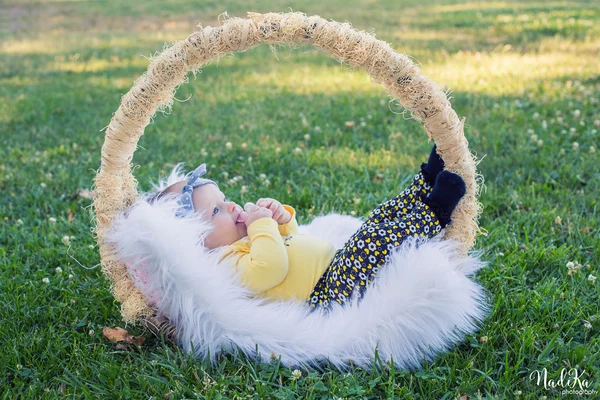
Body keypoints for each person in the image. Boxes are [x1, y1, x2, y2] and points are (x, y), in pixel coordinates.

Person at [153, 144, 466, 312]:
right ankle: (434, 212)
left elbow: (291, 241)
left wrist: (281, 221)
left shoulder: (246, 236)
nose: (233, 206)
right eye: (218, 210)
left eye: (225, 198)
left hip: (337, 266)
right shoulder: (224, 267)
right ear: (195, 241)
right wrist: (262, 226)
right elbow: (271, 268)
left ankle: (424, 184)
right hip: (329, 294)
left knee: (376, 223)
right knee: (374, 240)